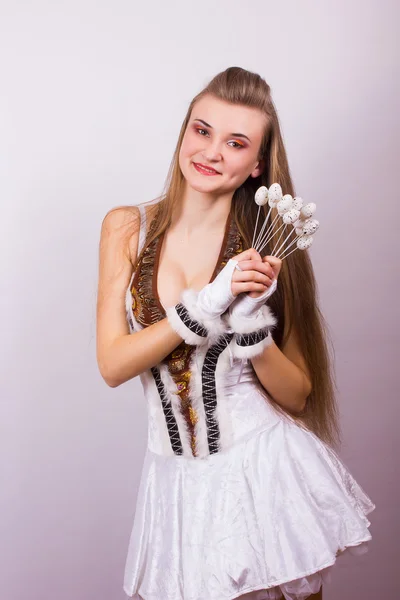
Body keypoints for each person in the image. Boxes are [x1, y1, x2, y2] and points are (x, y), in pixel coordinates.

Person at [96, 66, 375, 600]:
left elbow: (298, 396)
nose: (212, 152)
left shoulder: (269, 245)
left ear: (257, 165)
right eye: (202, 130)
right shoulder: (126, 227)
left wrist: (253, 332)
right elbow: (113, 364)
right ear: (185, 132)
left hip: (262, 470)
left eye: (236, 142)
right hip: (173, 483)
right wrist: (204, 305)